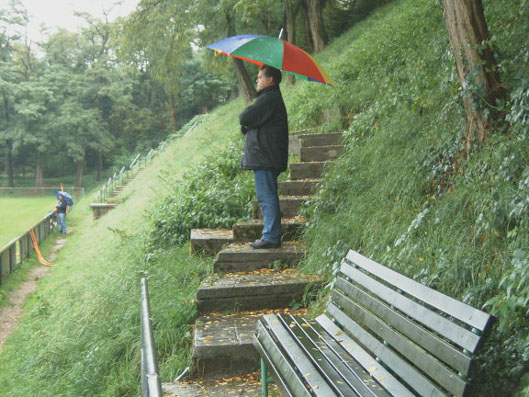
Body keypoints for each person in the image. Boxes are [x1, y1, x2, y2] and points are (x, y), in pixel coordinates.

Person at [239, 64, 288, 249]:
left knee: (266, 197)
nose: (257, 80)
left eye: (260, 77)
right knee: (266, 196)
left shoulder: (269, 98)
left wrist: (248, 122)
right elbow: (249, 123)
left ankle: (271, 236)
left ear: (271, 79)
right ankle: (270, 234)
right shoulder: (269, 98)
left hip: (265, 156)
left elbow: (245, 117)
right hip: (266, 155)